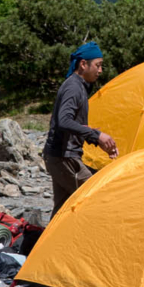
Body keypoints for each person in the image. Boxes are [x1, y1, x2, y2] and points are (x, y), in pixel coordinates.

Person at [43, 41, 118, 214]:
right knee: (94, 199)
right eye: (98, 65)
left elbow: (73, 124)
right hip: (64, 157)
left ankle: (51, 241)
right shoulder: (73, 87)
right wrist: (97, 135)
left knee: (62, 209)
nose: (100, 70)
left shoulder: (79, 86)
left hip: (59, 157)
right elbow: (64, 120)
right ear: (83, 64)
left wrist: (95, 138)